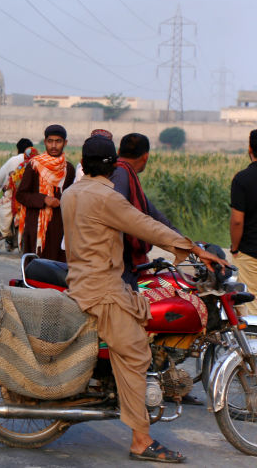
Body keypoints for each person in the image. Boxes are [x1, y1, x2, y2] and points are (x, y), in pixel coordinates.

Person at [62, 135, 225, 463]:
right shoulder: (106, 198)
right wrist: (195, 250)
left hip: (80, 284)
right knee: (136, 355)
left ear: (83, 162)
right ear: (112, 165)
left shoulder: (71, 193)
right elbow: (147, 226)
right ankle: (141, 440)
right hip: (104, 292)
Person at [110, 133, 182, 282]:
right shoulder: (121, 174)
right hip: (119, 261)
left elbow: (154, 214)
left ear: (118, 152)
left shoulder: (124, 173)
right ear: (145, 156)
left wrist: (184, 242)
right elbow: (127, 216)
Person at [16, 124, 75, 262]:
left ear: (65, 143)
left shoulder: (68, 169)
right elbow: (21, 195)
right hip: (36, 226)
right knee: (36, 265)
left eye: (58, 141)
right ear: (45, 142)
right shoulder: (34, 165)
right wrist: (44, 199)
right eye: (50, 141)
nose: (54, 146)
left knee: (57, 266)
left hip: (59, 227)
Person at [0, 138, 34, 253]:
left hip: (12, 198)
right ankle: (12, 243)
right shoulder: (35, 161)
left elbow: (0, 177)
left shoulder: (14, 160)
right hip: (30, 199)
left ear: (18, 149)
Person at [230, 129, 257, 316]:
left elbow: (237, 221)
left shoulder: (242, 179)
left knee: (252, 304)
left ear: (250, 149)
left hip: (250, 252)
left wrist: (234, 248)